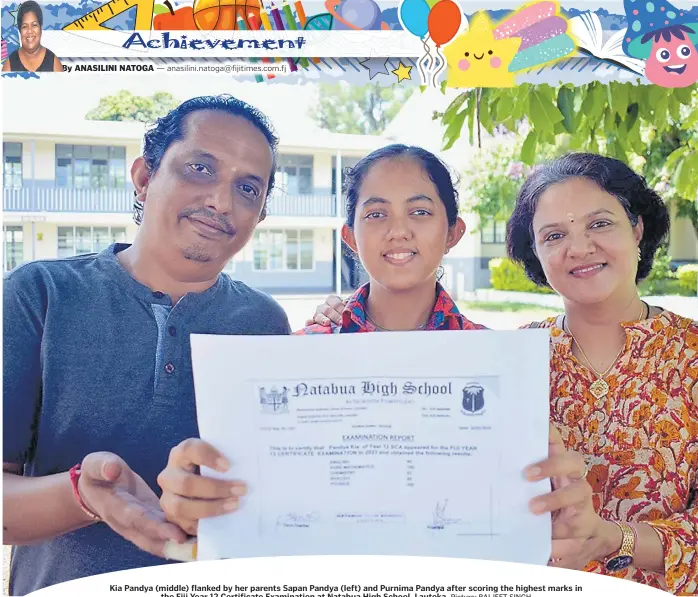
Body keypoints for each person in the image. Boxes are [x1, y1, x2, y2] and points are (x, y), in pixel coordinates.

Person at [157, 145, 595, 569]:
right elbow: (253, 515)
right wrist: (203, 506)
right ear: (351, 237)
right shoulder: (298, 357)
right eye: (376, 213)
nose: (398, 230)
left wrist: (549, 513)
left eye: (420, 211)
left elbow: (521, 525)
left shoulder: (497, 367)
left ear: (453, 233)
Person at [309, 152, 698, 594]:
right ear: (536, 252)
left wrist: (615, 539)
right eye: (554, 235)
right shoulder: (507, 357)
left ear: (638, 228)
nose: (579, 247)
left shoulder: (690, 352)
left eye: (600, 223)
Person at [3, 95, 291, 594]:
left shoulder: (265, 323)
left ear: (259, 215)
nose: (222, 202)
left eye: (247, 188)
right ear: (143, 176)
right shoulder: (39, 295)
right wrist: (86, 496)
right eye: (200, 168)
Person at [2, 1, 63, 73]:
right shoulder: (9, 66)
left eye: (34, 25)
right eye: (24, 26)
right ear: (20, 30)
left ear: (40, 28)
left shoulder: (54, 64)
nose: (30, 31)